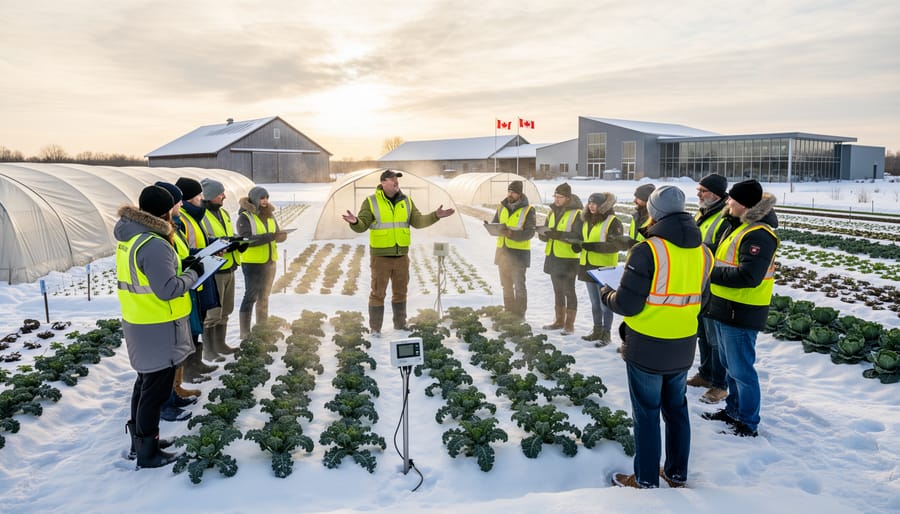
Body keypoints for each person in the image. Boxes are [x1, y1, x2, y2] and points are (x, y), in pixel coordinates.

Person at [601, 185, 713, 489]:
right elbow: (705, 300)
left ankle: (646, 478)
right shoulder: (703, 251)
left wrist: (606, 293)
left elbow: (627, 304)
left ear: (655, 212)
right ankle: (676, 474)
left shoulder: (648, 250)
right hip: (683, 344)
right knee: (676, 410)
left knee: (647, 413)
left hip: (647, 345)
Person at [115, 184, 204, 468]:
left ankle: (141, 441)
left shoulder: (132, 237)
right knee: (154, 391)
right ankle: (148, 452)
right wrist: (194, 273)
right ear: (167, 211)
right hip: (157, 323)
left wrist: (181, 264)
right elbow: (167, 289)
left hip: (140, 320)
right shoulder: (153, 243)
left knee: (144, 384)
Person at [701, 179, 778, 438]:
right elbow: (722, 255)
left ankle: (747, 421)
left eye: (733, 199)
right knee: (729, 365)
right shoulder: (739, 228)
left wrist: (708, 272)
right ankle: (732, 410)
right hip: (725, 307)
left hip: (742, 310)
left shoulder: (759, 234)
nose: (728, 202)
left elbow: (749, 276)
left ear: (744, 204)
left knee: (742, 370)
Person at [342, 170, 455, 335]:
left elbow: (418, 222)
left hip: (401, 256)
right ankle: (375, 329)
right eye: (392, 178)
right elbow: (363, 224)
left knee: (401, 292)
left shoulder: (407, 201)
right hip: (380, 257)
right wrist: (356, 222)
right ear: (383, 182)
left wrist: (435, 216)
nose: (396, 181)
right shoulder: (371, 201)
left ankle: (400, 325)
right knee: (377, 293)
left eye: (397, 179)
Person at [687, 174, 731, 405]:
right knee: (702, 332)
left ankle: (720, 384)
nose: (699, 194)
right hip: (700, 280)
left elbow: (722, 249)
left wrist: (699, 248)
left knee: (714, 337)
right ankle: (705, 374)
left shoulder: (725, 216)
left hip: (714, 283)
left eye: (703, 191)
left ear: (715, 193)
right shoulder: (702, 212)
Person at [199, 178, 245, 360]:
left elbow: (228, 234)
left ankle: (221, 344)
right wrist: (224, 246)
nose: (224, 196)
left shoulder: (223, 213)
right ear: (209, 196)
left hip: (229, 267)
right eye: (220, 194)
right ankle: (209, 351)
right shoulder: (202, 216)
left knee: (226, 310)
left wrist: (238, 242)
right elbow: (205, 242)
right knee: (213, 313)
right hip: (214, 270)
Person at [236, 186, 287, 338]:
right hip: (253, 263)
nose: (265, 201)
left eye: (266, 198)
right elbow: (247, 240)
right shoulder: (244, 217)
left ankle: (261, 327)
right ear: (254, 199)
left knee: (264, 296)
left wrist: (281, 236)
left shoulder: (270, 215)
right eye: (262, 198)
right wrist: (270, 236)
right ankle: (245, 332)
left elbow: (275, 233)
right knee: (250, 296)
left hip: (270, 262)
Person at [576, 192, 627, 345]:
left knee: (606, 303)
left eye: (595, 203)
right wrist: (578, 245)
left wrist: (592, 247)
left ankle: (606, 334)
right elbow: (584, 239)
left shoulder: (613, 221)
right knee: (594, 303)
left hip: (604, 269)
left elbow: (616, 245)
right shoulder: (586, 220)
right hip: (587, 264)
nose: (591, 206)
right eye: (590, 202)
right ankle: (596, 330)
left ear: (603, 205)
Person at [539, 183, 583, 335]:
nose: (556, 200)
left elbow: (579, 237)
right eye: (555, 197)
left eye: (560, 197)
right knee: (557, 290)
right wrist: (543, 234)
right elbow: (547, 230)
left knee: (569, 291)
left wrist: (559, 235)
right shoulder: (551, 212)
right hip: (552, 255)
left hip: (568, 259)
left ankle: (569, 325)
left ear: (568, 198)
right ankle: (559, 321)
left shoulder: (577, 214)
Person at [490, 180, 536, 318]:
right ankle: (509, 312)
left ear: (520, 194)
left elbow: (530, 232)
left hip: (518, 254)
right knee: (506, 285)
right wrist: (492, 227)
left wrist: (513, 234)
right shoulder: (501, 207)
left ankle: (520, 314)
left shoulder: (528, 210)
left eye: (513, 192)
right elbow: (495, 223)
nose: (510, 194)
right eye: (509, 191)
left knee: (519, 286)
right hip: (502, 253)